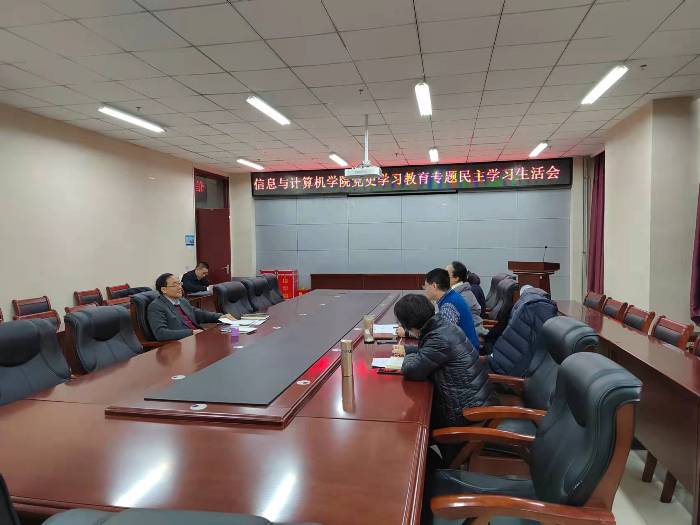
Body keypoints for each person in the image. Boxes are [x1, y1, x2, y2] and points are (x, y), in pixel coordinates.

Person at [392, 294, 496, 429]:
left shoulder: (439, 339)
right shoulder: (443, 326)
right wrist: (409, 350)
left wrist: (408, 356)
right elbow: (432, 352)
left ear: (409, 325)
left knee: (410, 425)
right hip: (473, 400)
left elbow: (411, 370)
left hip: (465, 414)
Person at [148, 273, 235, 341]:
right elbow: (160, 333)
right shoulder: (156, 306)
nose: (180, 287)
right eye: (175, 285)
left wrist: (221, 317)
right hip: (181, 345)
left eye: (180, 284)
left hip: (198, 338)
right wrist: (191, 332)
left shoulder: (182, 300)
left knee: (232, 338)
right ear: (164, 290)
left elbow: (197, 313)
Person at [446, 261, 487, 337]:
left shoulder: (461, 297)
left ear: (456, 278)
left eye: (446, 275)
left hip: (469, 337)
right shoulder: (458, 292)